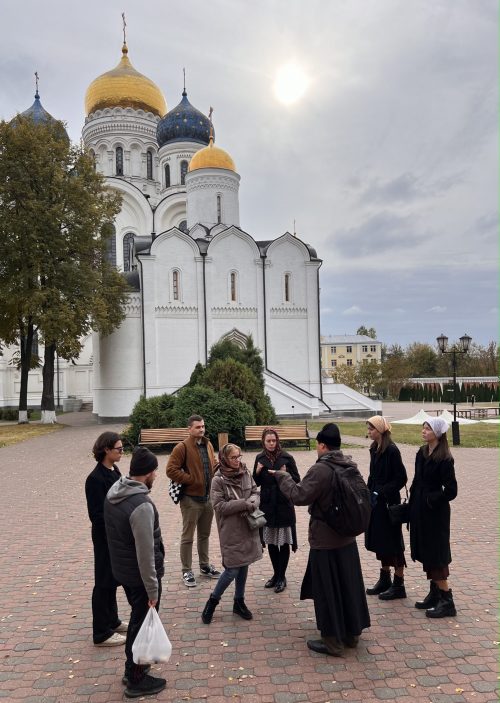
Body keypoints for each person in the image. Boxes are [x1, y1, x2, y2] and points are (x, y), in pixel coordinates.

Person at [272, 423, 370, 657]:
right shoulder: (348, 463)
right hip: (347, 538)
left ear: (322, 445)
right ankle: (352, 634)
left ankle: (332, 642)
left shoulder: (321, 469)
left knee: (327, 590)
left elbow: (299, 495)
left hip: (325, 540)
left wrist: (283, 477)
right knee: (349, 587)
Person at [104, 447, 167, 698]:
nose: (156, 477)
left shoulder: (115, 492)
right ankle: (136, 678)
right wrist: (153, 590)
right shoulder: (141, 505)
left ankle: (132, 668)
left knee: (137, 623)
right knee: (142, 627)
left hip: (124, 571)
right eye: (155, 472)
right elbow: (145, 554)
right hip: (140, 577)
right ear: (149, 472)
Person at [201, 443, 263, 624]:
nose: (237, 461)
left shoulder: (245, 473)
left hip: (247, 527)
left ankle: (239, 602)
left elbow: (255, 492)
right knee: (232, 569)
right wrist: (245, 503)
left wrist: (253, 501)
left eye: (239, 457)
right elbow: (219, 506)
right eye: (233, 457)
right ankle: (212, 601)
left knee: (244, 565)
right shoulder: (218, 480)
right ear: (224, 459)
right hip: (231, 530)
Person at [409, 417, 458, 618]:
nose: (423, 431)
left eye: (427, 428)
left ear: (437, 433)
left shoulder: (445, 458)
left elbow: (452, 490)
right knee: (427, 551)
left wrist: (431, 499)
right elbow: (416, 479)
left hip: (435, 513)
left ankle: (447, 601)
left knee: (436, 554)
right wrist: (412, 502)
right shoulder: (421, 453)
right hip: (420, 508)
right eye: (423, 428)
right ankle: (435, 593)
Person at [166, 415, 221, 587]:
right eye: (197, 427)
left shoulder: (208, 444)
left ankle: (204, 566)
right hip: (190, 499)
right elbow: (170, 470)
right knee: (187, 537)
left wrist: (217, 467)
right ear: (189, 429)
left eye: (203, 426)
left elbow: (212, 464)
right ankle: (186, 570)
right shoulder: (182, 447)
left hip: (208, 498)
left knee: (204, 535)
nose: (201, 429)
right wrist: (191, 479)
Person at [85, 431, 127, 647]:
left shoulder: (114, 470)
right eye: (119, 449)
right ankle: (101, 633)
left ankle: (112, 620)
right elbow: (96, 515)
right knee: (102, 582)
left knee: (112, 579)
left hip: (116, 535)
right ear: (106, 450)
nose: (122, 452)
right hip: (104, 538)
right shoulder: (94, 479)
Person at [364, 416, 408, 600]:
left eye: (372, 428)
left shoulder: (391, 450)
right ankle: (384, 578)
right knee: (380, 540)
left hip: (388, 503)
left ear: (381, 430)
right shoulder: (374, 448)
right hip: (375, 502)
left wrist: (381, 492)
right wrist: (368, 492)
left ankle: (399, 583)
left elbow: (401, 478)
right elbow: (373, 475)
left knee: (393, 542)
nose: (369, 431)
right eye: (368, 428)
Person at [253, 428, 300, 593]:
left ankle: (282, 577)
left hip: (283, 505)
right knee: (272, 543)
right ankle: (276, 574)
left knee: (284, 543)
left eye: (274, 441)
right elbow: (255, 483)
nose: (272, 444)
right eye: (268, 441)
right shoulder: (260, 458)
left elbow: (297, 481)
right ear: (263, 442)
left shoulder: (287, 458)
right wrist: (258, 471)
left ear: (278, 441)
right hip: (267, 506)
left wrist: (284, 475)